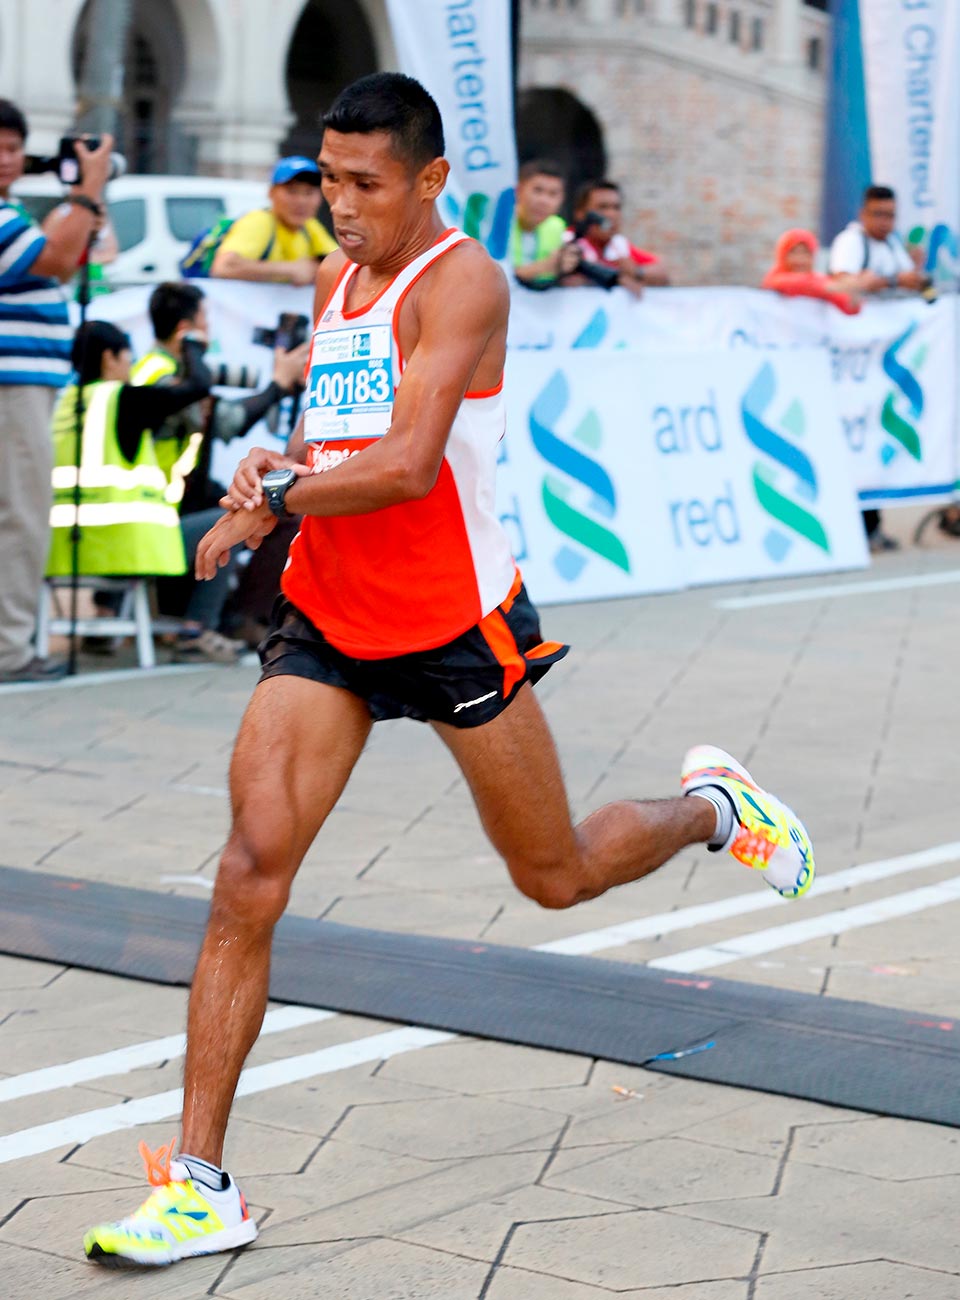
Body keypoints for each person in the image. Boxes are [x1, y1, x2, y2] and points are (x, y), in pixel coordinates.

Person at [82, 72, 816, 1269]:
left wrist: (281, 510)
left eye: (366, 184)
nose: (341, 206)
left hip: (448, 620)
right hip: (328, 617)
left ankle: (707, 810)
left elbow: (413, 463)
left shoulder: (464, 280)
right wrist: (278, 473)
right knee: (247, 871)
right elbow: (343, 436)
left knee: (556, 874)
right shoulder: (336, 278)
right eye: (328, 179)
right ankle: (201, 1184)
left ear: (429, 180)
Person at [129, 281, 309, 663]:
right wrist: (277, 384)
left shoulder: (150, 369)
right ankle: (208, 626)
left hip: (152, 513)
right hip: (148, 521)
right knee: (252, 512)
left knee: (229, 498)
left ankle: (221, 616)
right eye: (204, 323)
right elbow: (228, 420)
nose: (208, 334)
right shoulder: (166, 378)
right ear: (186, 330)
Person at [0, 99, 114, 682]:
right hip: (11, 385)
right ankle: (10, 652)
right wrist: (88, 187)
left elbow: (59, 263)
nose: (6, 160)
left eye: (14, 148)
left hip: (22, 384)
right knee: (20, 516)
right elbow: (59, 256)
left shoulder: (10, 212)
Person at [47, 321, 211, 581]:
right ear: (109, 358)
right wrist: (191, 345)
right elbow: (198, 386)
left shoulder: (63, 403)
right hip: (125, 551)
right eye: (128, 358)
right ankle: (199, 619)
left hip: (59, 552)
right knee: (227, 519)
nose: (130, 367)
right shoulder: (123, 399)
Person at [829, 186, 929, 555]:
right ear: (863, 213)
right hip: (851, 359)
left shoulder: (891, 246)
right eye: (878, 214)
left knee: (875, 436)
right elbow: (842, 283)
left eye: (890, 215)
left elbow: (909, 281)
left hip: (881, 363)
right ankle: (853, 525)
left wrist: (914, 275)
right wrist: (889, 281)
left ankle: (872, 526)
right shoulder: (851, 243)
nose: (885, 222)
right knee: (852, 435)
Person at [210, 156, 337, 287]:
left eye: (309, 193)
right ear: (271, 193)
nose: (301, 201)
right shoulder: (259, 221)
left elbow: (342, 264)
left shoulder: (309, 227)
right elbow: (223, 267)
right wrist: (290, 269)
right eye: (292, 191)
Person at [569, 178, 670, 293]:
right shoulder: (567, 240)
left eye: (616, 208)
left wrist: (637, 272)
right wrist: (617, 279)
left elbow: (662, 270)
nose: (611, 214)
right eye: (602, 207)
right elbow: (569, 279)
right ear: (580, 214)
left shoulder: (618, 244)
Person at [510, 159, 580, 288]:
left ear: (562, 199)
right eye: (537, 190)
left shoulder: (558, 227)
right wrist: (544, 267)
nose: (544, 201)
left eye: (553, 194)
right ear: (518, 191)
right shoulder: (497, 224)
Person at [762, 229, 861, 315]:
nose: (800, 259)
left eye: (806, 253)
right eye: (793, 252)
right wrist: (832, 286)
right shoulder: (775, 278)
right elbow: (790, 283)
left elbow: (849, 308)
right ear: (782, 254)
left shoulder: (820, 280)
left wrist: (854, 293)